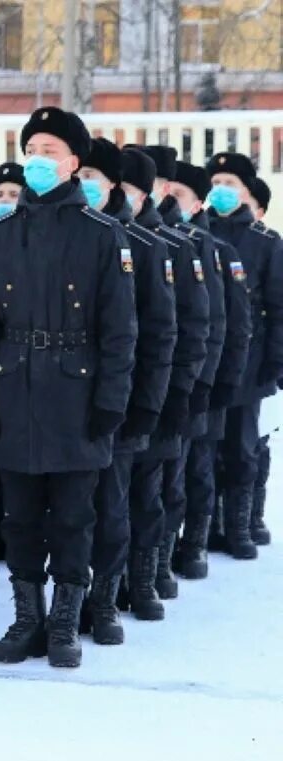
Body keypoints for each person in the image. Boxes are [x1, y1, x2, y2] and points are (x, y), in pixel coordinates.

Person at [0, 107, 136, 668]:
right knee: (18, 516)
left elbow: (120, 331)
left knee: (71, 517)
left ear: (73, 162)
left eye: (49, 150)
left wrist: (111, 401)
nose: (37, 159)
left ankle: (65, 621)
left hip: (75, 394)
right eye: (30, 148)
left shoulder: (103, 236)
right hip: (14, 390)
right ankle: (27, 619)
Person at [73, 139, 176, 644]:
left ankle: (107, 599)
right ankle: (69, 597)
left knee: (117, 507)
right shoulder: (63, 236)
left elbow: (162, 336)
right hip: (67, 399)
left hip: (122, 400)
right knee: (71, 510)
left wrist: (150, 404)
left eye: (96, 175)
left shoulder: (147, 247)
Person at [119, 146, 208, 623]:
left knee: (151, 493)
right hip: (110, 392)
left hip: (157, 390)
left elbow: (194, 328)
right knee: (109, 499)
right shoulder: (99, 239)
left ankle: (147, 573)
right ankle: (109, 583)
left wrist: (183, 393)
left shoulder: (176, 246)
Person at [167, 162, 252, 577]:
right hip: (172, 380)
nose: (170, 203)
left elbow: (230, 325)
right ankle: (163, 551)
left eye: (178, 196)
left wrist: (222, 382)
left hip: (206, 379)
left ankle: (194, 545)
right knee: (169, 471)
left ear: (196, 203)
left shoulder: (218, 251)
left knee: (198, 468)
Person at [206, 152, 283, 560]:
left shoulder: (264, 242)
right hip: (207, 358)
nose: (221, 189)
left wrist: (275, 359)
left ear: (246, 191)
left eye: (230, 182)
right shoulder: (196, 233)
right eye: (216, 180)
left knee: (241, 445)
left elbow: (278, 305)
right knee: (205, 447)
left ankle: (238, 525)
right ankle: (209, 523)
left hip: (249, 360)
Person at [247, 175, 274, 546]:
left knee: (251, 441)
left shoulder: (268, 244)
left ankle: (245, 518)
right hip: (230, 359)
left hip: (256, 358)